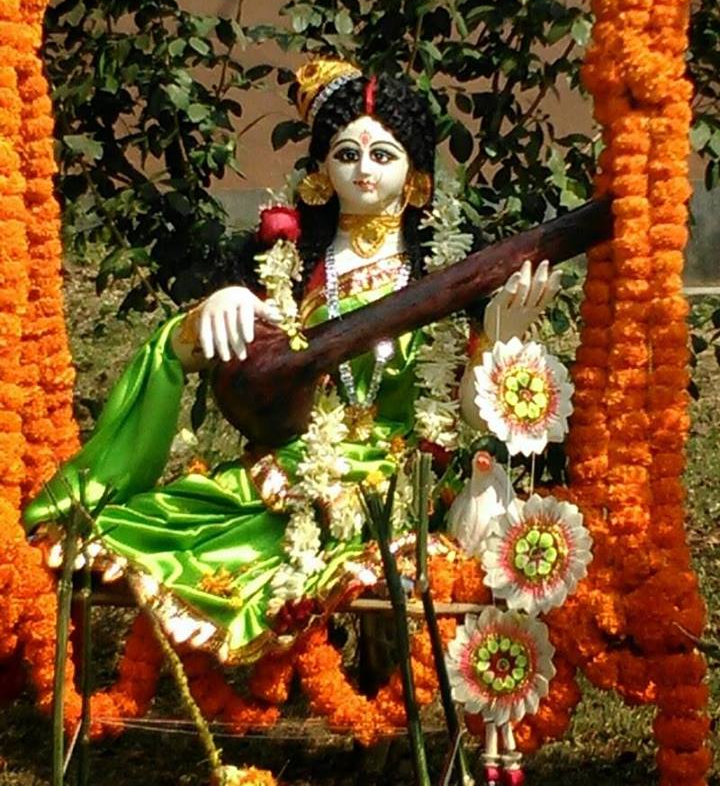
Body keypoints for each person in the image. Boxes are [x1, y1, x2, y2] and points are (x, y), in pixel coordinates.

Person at [24, 60, 559, 665]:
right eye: (347, 153)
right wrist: (208, 313)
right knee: (155, 526)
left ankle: (370, 694)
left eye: (383, 155)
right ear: (322, 169)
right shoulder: (289, 258)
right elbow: (208, 352)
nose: (363, 170)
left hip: (394, 481)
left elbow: (466, 415)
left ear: (415, 176)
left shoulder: (437, 268)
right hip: (287, 467)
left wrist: (496, 340)